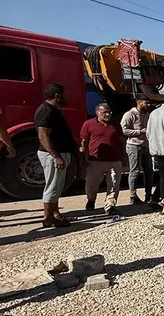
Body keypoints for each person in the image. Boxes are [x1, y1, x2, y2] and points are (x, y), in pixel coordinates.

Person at [34, 83, 75, 227]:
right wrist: (56, 156)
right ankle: (48, 218)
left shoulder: (53, 110)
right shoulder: (46, 111)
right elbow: (43, 135)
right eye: (65, 94)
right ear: (57, 96)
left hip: (59, 153)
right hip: (53, 155)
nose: (67, 97)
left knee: (56, 186)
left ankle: (55, 213)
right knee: (52, 186)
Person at [80, 103, 126, 215]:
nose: (107, 114)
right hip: (95, 160)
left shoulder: (115, 125)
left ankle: (110, 206)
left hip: (114, 160)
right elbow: (84, 142)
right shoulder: (88, 124)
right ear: (97, 113)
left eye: (109, 112)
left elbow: (121, 141)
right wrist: (83, 157)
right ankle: (91, 200)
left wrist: (124, 156)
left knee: (114, 184)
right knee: (92, 184)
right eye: (104, 112)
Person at [121, 94, 152, 204]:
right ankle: (133, 196)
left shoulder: (147, 115)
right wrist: (139, 132)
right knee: (134, 171)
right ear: (139, 102)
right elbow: (123, 130)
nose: (148, 105)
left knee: (149, 171)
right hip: (134, 145)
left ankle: (149, 195)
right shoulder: (129, 114)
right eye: (146, 103)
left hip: (146, 145)